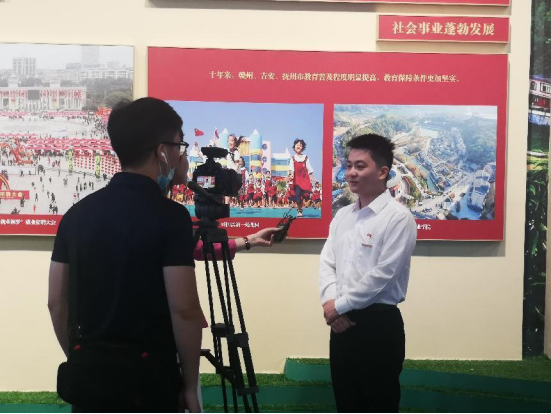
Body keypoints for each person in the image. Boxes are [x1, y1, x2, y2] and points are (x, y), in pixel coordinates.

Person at [48, 97, 204, 413]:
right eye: (179, 145)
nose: (180, 154)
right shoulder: (171, 217)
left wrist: (79, 357)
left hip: (90, 381)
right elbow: (185, 310)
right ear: (162, 151)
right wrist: (190, 385)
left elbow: (56, 302)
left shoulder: (76, 215)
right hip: (149, 383)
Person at [318, 134, 417, 413]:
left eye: (360, 166)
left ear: (383, 172)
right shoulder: (343, 216)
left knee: (378, 403)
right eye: (349, 165)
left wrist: (338, 306)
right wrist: (331, 303)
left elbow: (384, 274)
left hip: (378, 326)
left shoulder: (398, 218)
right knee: (346, 402)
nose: (351, 172)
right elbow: (327, 262)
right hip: (340, 324)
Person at [288, 138, 313, 217]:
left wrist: (311, 176)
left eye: (300, 145)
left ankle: (306, 202)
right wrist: (291, 175)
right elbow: (291, 168)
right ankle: (299, 210)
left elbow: (309, 168)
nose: (298, 146)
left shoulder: (305, 158)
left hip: (305, 180)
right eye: (297, 145)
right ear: (294, 147)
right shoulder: (293, 158)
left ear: (302, 147)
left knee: (306, 195)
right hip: (297, 180)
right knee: (297, 195)